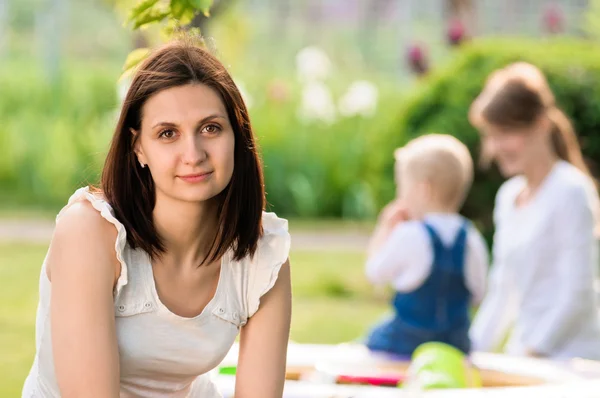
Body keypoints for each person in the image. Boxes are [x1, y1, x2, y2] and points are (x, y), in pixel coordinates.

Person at [22, 38, 292, 397]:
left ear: (236, 135)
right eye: (168, 134)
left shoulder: (264, 254)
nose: (193, 154)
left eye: (210, 128)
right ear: (138, 147)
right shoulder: (89, 232)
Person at [469, 62, 600, 360]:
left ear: (540, 124)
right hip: (526, 356)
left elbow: (577, 293)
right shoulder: (509, 196)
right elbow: (503, 292)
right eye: (490, 135)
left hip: (573, 359)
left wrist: (532, 352)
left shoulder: (570, 190)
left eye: (504, 133)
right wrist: (470, 354)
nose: (494, 147)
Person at [365, 134, 489, 356]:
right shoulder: (471, 237)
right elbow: (479, 293)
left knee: (368, 340)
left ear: (424, 189)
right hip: (456, 345)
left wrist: (384, 230)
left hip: (404, 344)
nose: (399, 196)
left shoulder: (409, 234)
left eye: (401, 188)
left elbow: (375, 272)